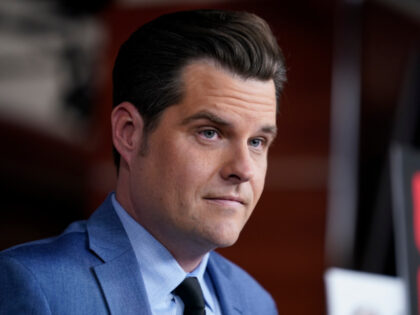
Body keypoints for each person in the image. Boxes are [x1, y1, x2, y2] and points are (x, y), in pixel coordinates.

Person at [0, 9, 286, 315]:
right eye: (210, 133)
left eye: (257, 142)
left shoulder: (257, 303)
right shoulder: (35, 285)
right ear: (129, 133)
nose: (243, 170)